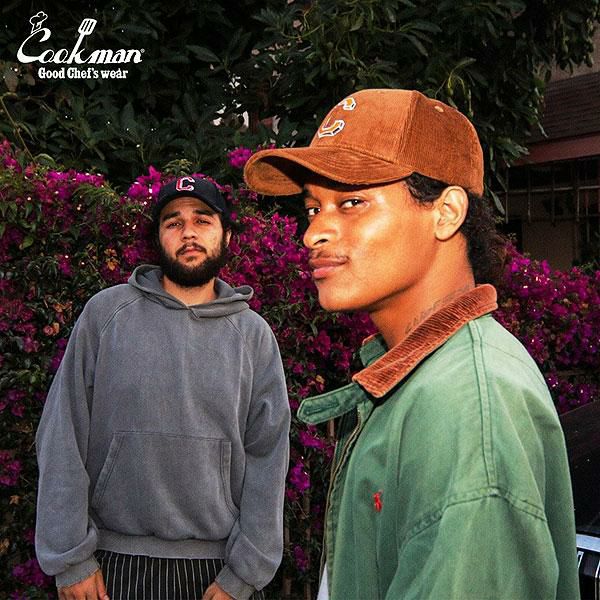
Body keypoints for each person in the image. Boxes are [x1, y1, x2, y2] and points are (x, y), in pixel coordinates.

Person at [243, 89, 579, 599]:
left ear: (446, 213)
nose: (313, 234)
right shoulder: (416, 376)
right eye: (312, 208)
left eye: (351, 202)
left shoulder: (465, 406)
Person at [35, 176, 291, 600]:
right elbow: (63, 435)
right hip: (111, 567)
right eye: (173, 222)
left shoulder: (253, 336)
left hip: (218, 572)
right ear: (158, 238)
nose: (188, 232)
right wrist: (70, 560)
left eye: (202, 220)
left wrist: (245, 575)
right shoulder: (106, 315)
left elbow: (269, 458)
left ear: (226, 235)